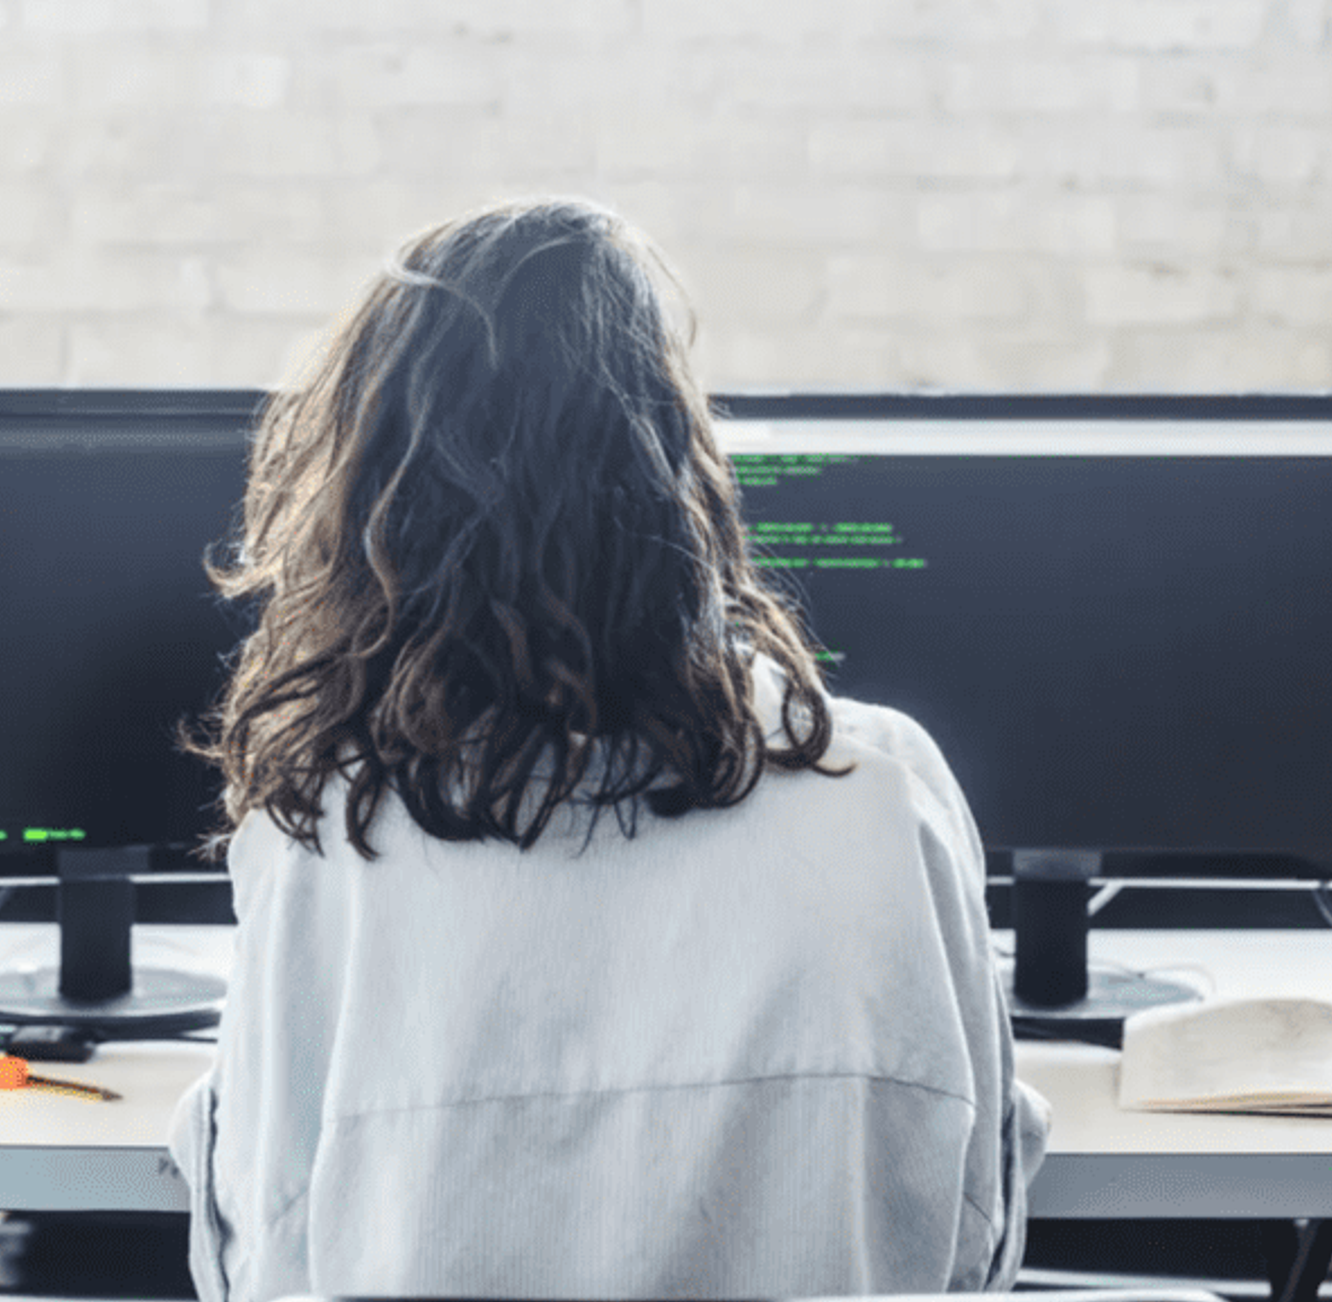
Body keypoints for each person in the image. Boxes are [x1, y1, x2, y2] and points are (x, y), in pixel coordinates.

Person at [169, 196, 1049, 1302]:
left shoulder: (329, 831)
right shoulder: (881, 789)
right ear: (675, 464)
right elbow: (973, 1234)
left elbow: (258, 1260)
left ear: (380, 499)